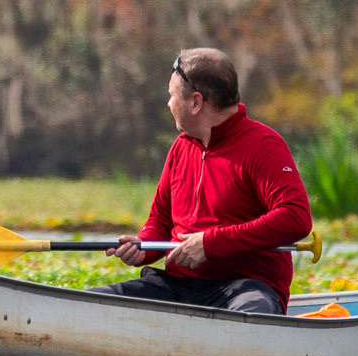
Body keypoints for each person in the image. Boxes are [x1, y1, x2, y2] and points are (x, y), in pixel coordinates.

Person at [91, 48, 312, 316]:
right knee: (90, 301)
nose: (168, 103)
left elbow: (295, 217)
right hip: (178, 286)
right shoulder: (180, 148)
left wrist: (210, 244)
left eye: (172, 96)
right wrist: (144, 247)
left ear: (195, 103)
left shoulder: (264, 146)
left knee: (251, 313)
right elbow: (160, 222)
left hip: (245, 289)